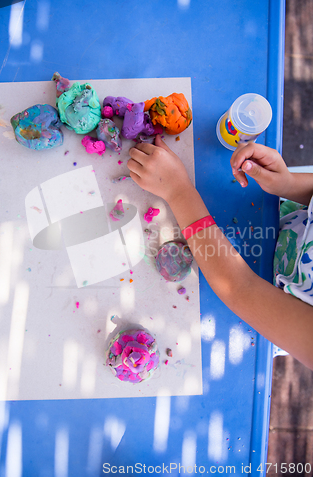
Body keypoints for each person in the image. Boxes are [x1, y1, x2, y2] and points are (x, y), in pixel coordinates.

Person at [127, 135, 313, 370]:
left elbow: (241, 289)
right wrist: (287, 184)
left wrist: (178, 191)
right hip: (268, 221)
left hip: (255, 309)